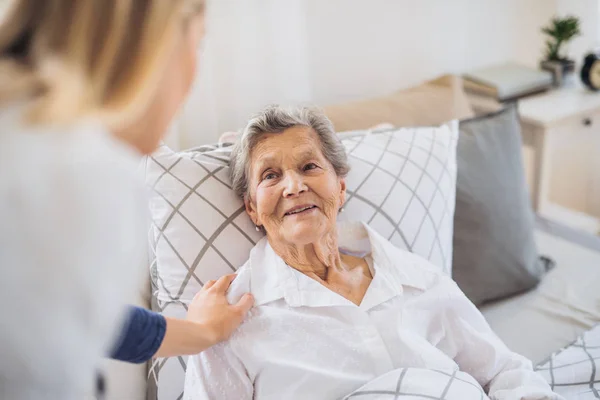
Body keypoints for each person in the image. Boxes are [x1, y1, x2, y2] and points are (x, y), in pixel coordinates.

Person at [183, 105, 561, 400]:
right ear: (252, 208)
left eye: (309, 166)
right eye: (270, 175)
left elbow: (503, 372)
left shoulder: (413, 277)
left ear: (340, 188)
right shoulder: (227, 320)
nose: (294, 186)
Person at [0, 1, 252, 399]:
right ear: (155, 41)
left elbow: (77, 318)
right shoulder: (82, 170)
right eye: (198, 44)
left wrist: (204, 332)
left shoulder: (26, 135)